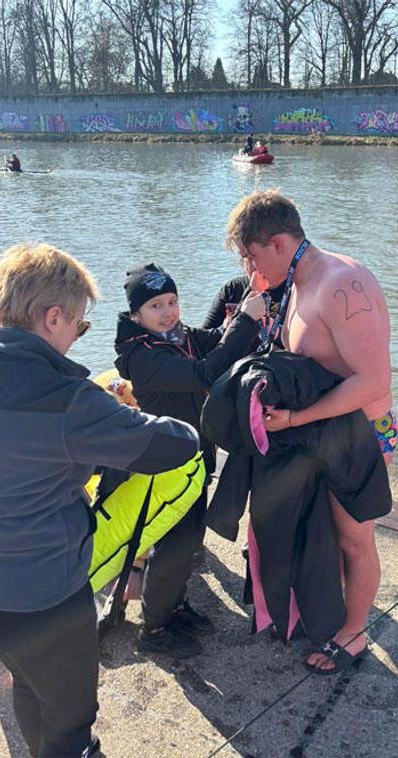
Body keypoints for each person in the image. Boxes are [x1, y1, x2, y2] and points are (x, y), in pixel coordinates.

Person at [0, 243, 199, 757]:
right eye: (79, 326)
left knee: (27, 681)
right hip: (43, 599)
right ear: (53, 317)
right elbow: (176, 444)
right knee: (71, 721)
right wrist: (119, 415)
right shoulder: (67, 400)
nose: (76, 337)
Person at [226, 189, 394, 674]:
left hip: (361, 435)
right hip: (324, 432)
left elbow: (373, 381)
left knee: (353, 538)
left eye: (251, 256)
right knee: (325, 533)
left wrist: (297, 419)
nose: (248, 269)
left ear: (278, 244)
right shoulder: (298, 279)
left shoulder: (343, 285)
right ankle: (331, 609)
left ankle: (355, 633)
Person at [113, 263, 266, 658]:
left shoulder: (177, 337)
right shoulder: (143, 355)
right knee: (173, 547)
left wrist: (239, 316)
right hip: (167, 468)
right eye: (155, 306)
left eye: (172, 301)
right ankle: (154, 630)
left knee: (189, 541)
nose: (168, 312)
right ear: (136, 316)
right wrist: (247, 321)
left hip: (193, 459)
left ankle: (174, 607)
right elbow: (205, 373)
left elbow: (214, 341)